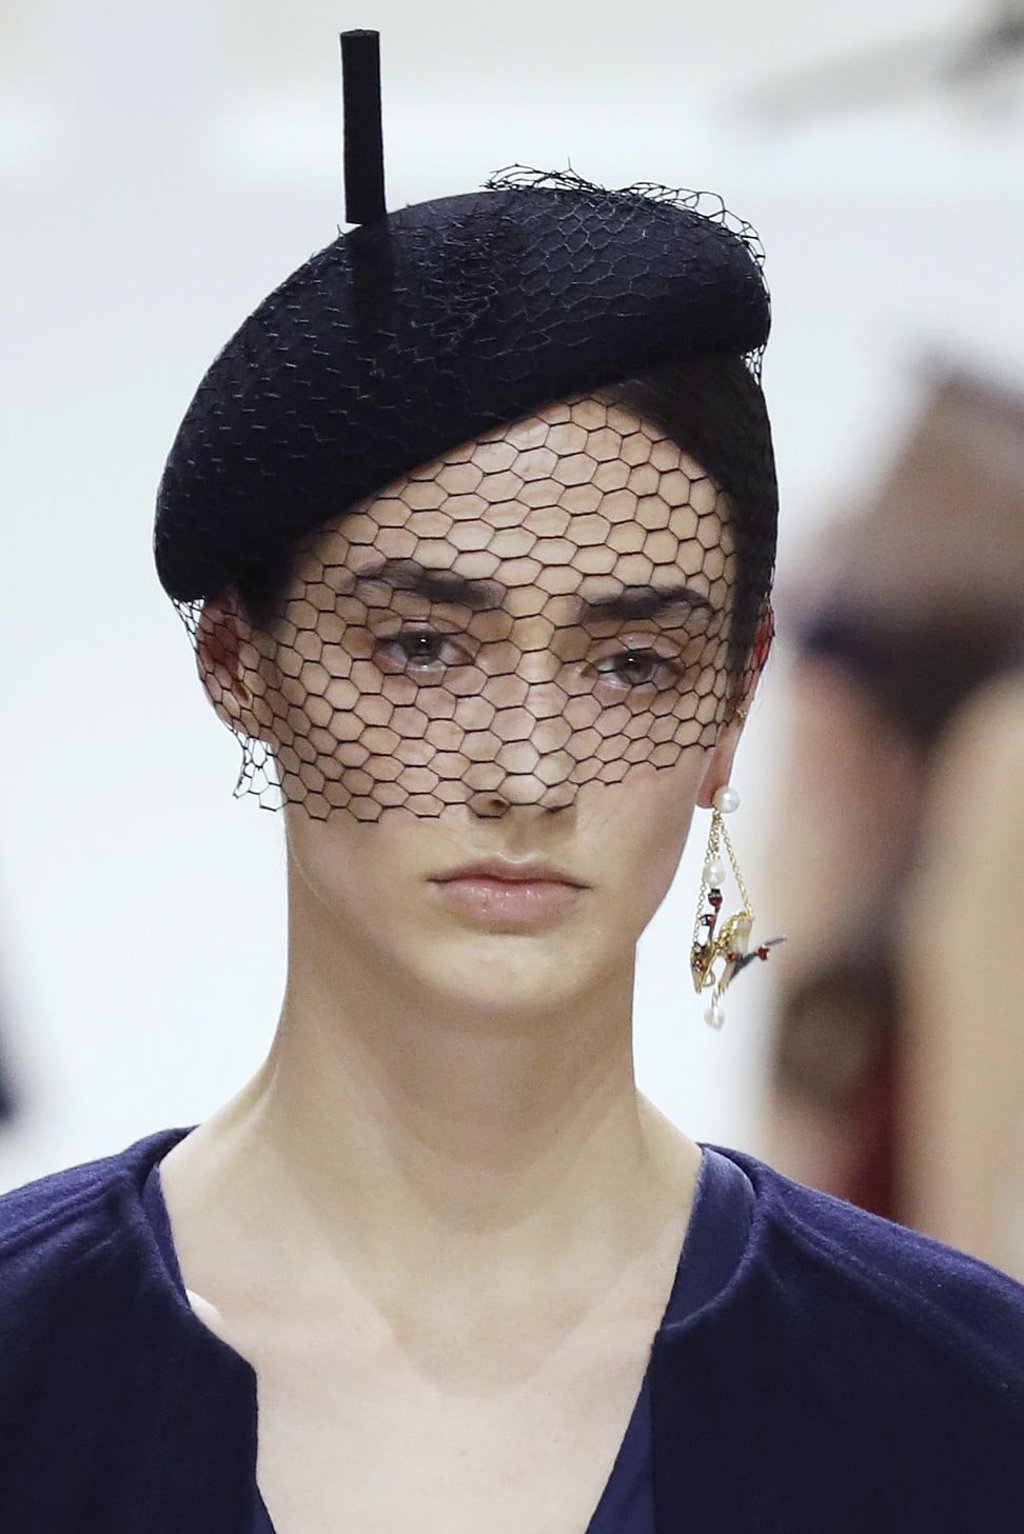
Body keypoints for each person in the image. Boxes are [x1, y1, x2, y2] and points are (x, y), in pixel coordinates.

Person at [1, 32, 1022, 1534]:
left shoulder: (958, 1406)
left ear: (737, 702)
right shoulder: (28, 1374)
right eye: (421, 647)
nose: (529, 768)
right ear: (239, 662)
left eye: (630, 668)